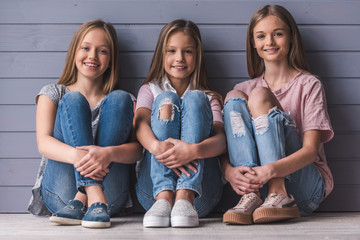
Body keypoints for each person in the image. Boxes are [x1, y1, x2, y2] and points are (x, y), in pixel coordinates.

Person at [222, 5, 334, 225]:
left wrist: (270, 171)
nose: (269, 42)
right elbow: (227, 146)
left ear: (291, 37)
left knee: (260, 96)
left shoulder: (309, 85)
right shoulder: (244, 88)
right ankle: (251, 196)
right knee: (234, 97)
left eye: (278, 34)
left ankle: (278, 191)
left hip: (305, 187)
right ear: (253, 43)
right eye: (261, 36)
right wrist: (228, 171)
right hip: (260, 193)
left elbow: (311, 152)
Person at [28, 19, 142, 228]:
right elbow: (43, 143)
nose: (92, 56)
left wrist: (107, 154)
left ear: (111, 59)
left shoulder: (127, 101)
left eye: (102, 51)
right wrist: (83, 157)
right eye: (86, 48)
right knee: (73, 100)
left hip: (111, 197)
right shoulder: (53, 93)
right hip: (61, 194)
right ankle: (92, 192)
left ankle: (85, 195)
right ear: (74, 52)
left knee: (119, 98)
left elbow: (138, 151)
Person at [134, 19, 226, 228]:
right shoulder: (149, 90)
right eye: (171, 51)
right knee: (167, 99)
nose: (179, 58)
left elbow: (221, 141)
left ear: (197, 56)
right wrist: (155, 147)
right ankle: (165, 195)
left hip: (200, 196)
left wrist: (194, 150)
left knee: (194, 99)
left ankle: (185, 195)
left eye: (188, 52)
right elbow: (140, 125)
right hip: (154, 193)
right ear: (162, 55)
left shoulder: (208, 97)